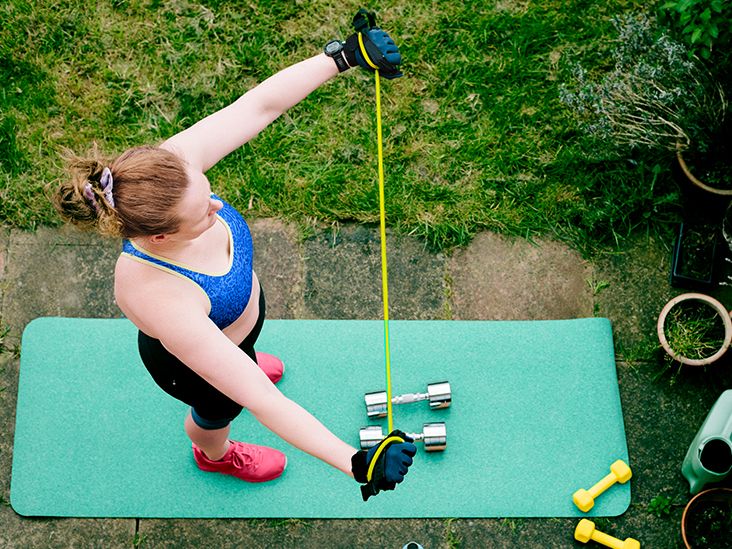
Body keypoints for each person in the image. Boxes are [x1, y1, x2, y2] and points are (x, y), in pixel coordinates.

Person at [53, 10, 415, 501]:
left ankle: (242, 355)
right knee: (221, 407)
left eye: (207, 192)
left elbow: (259, 106)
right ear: (159, 239)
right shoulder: (156, 293)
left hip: (235, 328)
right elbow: (264, 399)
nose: (217, 207)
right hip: (195, 364)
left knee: (243, 364)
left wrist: (344, 56)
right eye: (202, 212)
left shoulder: (170, 172)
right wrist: (355, 463)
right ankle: (214, 455)